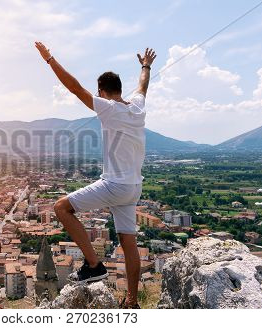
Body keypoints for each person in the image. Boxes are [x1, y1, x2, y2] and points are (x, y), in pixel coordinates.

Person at [35, 41, 156, 309]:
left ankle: (94, 265)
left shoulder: (109, 109)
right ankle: (132, 301)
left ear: (102, 91)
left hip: (115, 184)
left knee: (62, 207)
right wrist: (145, 65)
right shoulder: (137, 106)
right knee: (129, 242)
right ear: (120, 90)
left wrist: (49, 59)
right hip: (134, 186)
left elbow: (75, 88)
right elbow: (143, 85)